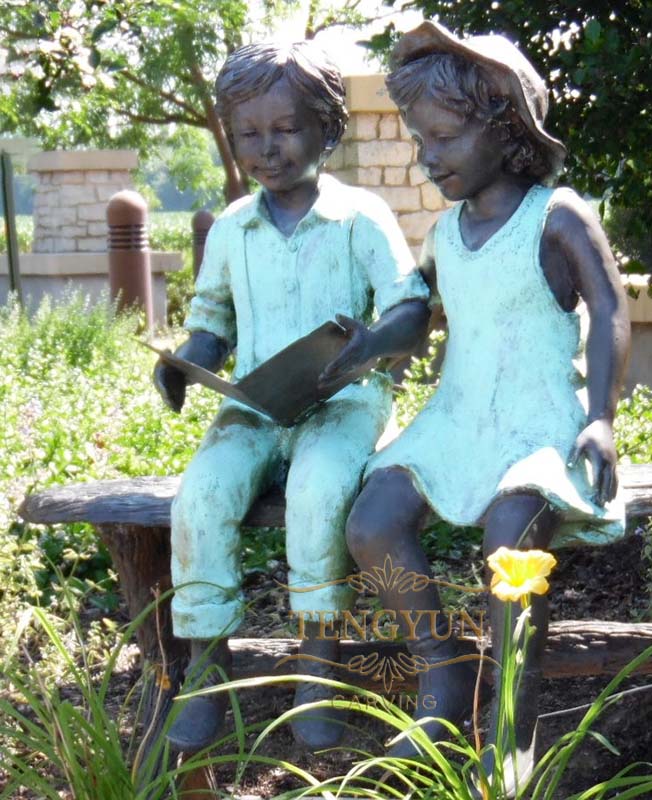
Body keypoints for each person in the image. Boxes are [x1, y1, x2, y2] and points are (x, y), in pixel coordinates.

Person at [344, 21, 630, 797]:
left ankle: (512, 724)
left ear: (505, 130)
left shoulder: (557, 215)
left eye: (441, 138)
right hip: (459, 418)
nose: (427, 157)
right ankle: (442, 673)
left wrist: (600, 417)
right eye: (419, 140)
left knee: (511, 532)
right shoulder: (445, 228)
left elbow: (608, 310)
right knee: (372, 521)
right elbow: (423, 312)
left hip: (539, 417)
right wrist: (371, 341)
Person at [153, 39, 430, 753]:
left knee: (317, 491)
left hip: (342, 400)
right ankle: (207, 671)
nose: (267, 149)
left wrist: (370, 345)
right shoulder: (233, 230)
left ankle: (317, 666)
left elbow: (410, 308)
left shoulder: (361, 217)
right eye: (250, 134)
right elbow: (212, 322)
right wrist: (188, 363)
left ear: (327, 131)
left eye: (285, 129)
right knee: (202, 498)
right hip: (255, 405)